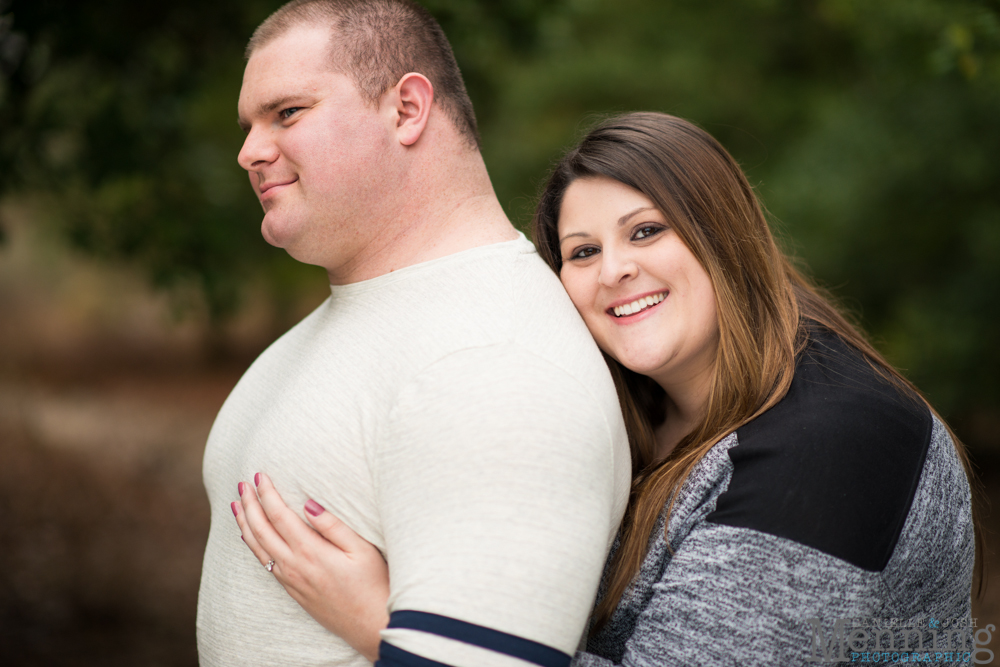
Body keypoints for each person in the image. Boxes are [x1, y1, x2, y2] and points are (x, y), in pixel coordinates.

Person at [234, 111, 979, 665]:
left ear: (723, 234)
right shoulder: (626, 412)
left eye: (647, 231)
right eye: (582, 251)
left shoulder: (836, 438)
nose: (614, 269)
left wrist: (381, 618)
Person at [198, 1, 632, 666]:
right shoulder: (364, 318)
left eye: (287, 113)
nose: (249, 151)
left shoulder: (498, 360)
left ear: (406, 109)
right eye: (249, 124)